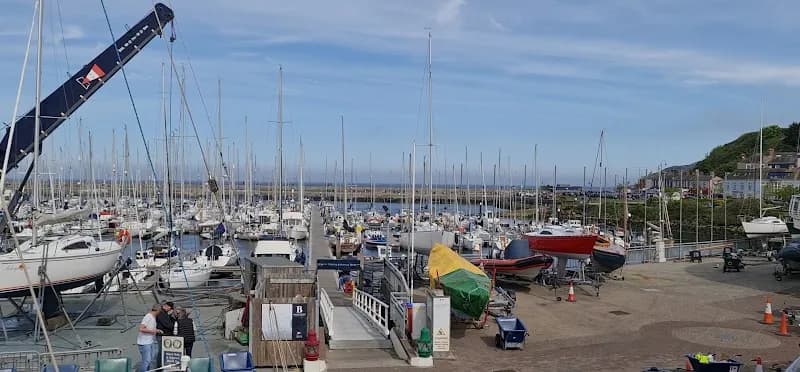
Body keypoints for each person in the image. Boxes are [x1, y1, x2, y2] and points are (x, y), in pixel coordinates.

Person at [137, 304, 163, 372]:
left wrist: (156, 330)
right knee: (147, 361)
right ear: (158, 310)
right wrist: (154, 331)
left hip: (150, 341)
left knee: (151, 360)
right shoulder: (148, 317)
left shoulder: (153, 317)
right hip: (144, 343)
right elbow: (141, 329)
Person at [155, 302, 175, 367]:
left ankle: (161, 365)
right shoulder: (162, 313)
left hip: (164, 335)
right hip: (162, 335)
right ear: (168, 307)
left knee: (163, 352)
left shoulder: (164, 313)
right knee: (161, 352)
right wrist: (173, 325)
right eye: (170, 308)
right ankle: (159, 366)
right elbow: (167, 324)